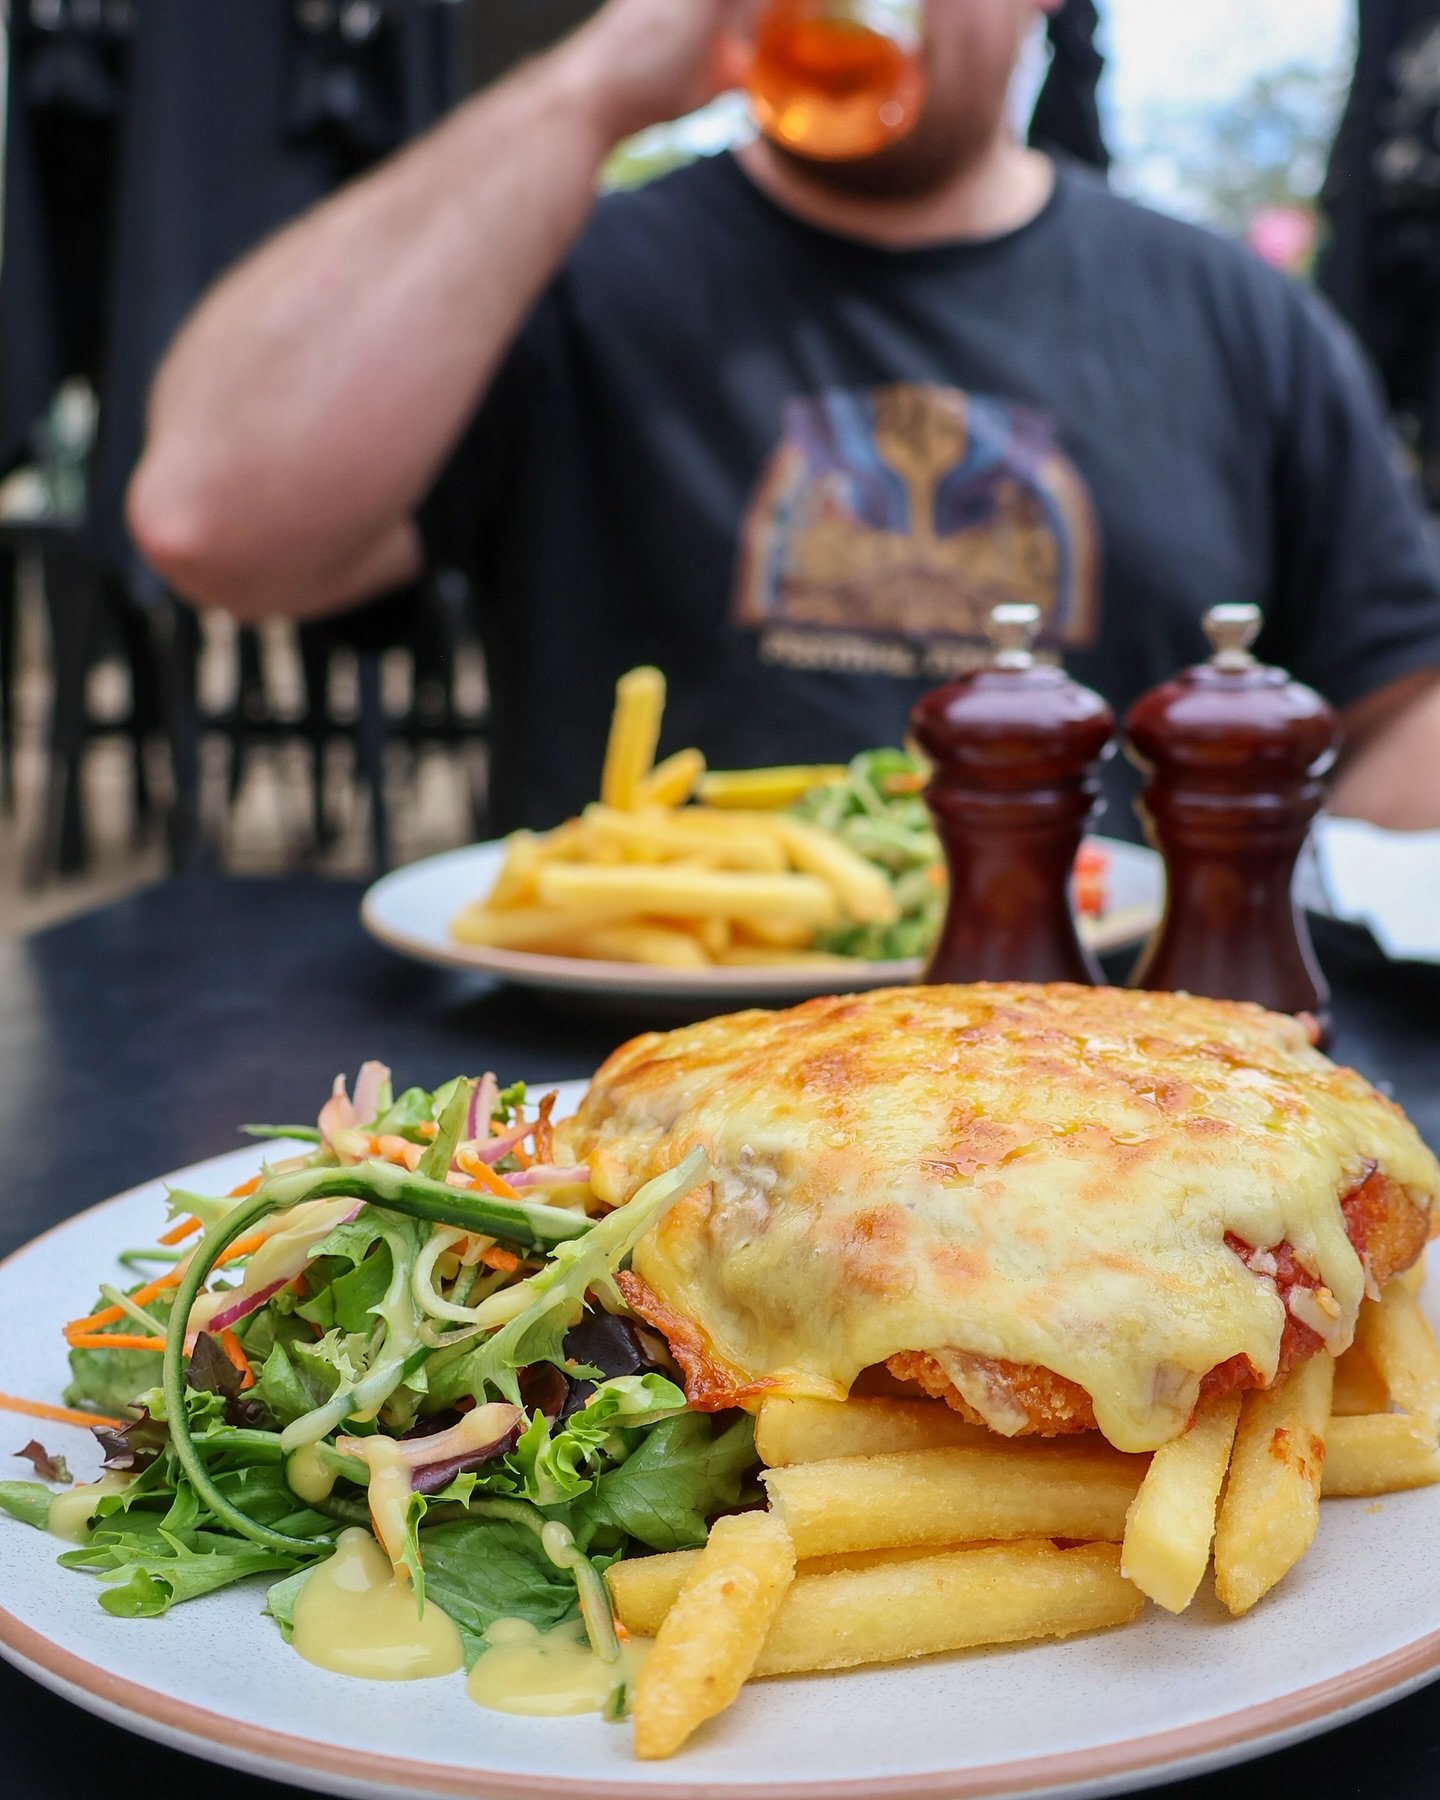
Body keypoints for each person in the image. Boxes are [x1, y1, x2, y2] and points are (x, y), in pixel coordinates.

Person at [126, 0, 1440, 836]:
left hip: (1103, 1105)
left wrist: (1278, 898)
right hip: (622, 1108)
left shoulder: (1233, 317)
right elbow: (209, 517)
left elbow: (1402, 711)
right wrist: (590, 86)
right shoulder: (567, 282)